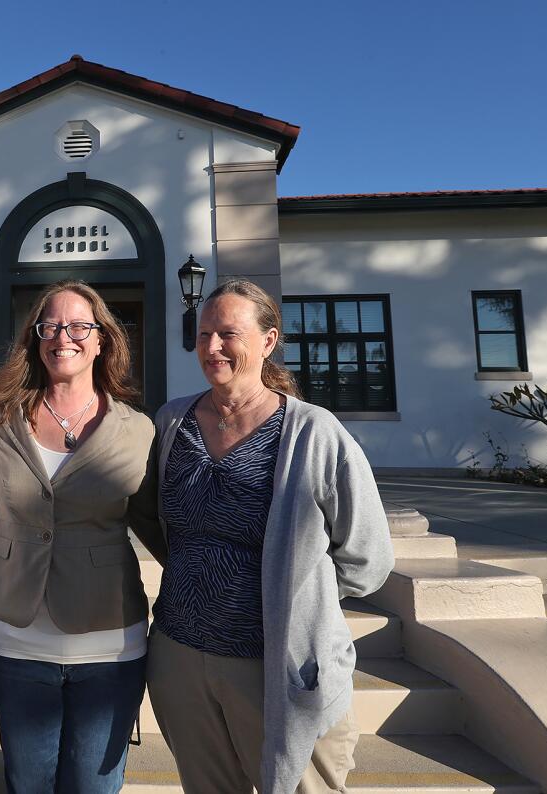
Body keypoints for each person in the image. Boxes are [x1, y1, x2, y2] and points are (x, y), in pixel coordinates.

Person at [146, 278, 394, 794]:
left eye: (229, 334)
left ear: (268, 340)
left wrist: (300, 595)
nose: (212, 347)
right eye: (204, 333)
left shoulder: (312, 431)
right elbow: (163, 525)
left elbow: (367, 557)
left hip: (276, 662)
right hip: (180, 655)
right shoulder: (173, 421)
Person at [0, 280, 166, 793]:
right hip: (15, 640)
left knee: (94, 787)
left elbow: (158, 525)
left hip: (108, 645)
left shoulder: (137, 429)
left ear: (102, 338)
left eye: (79, 325)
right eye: (51, 326)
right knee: (28, 783)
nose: (64, 336)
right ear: (35, 338)